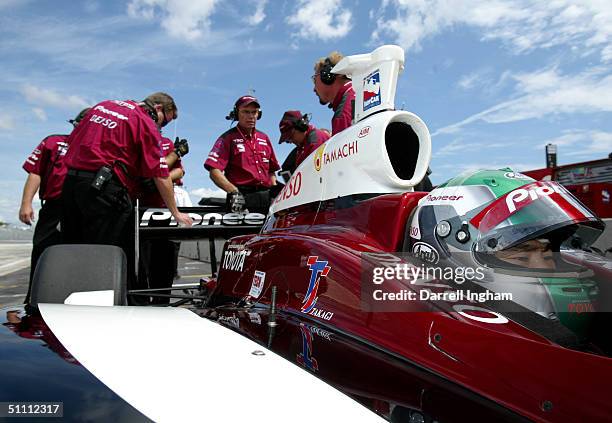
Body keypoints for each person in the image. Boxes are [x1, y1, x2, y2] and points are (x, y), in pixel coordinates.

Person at [61, 92, 192, 302]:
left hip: (72, 186)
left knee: (73, 251)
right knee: (112, 256)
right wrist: (176, 212)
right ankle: (112, 311)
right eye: (164, 122)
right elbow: (159, 174)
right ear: (158, 109)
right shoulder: (144, 121)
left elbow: (72, 142)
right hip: (106, 191)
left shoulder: (102, 106)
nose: (161, 128)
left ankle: (68, 304)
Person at [19, 108, 90, 303]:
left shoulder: (98, 150)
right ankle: (34, 300)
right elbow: (36, 172)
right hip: (55, 206)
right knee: (44, 252)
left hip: (86, 209)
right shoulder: (54, 142)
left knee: (80, 257)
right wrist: (26, 204)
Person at [204, 95, 280, 214]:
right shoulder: (227, 138)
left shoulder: (264, 138)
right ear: (236, 113)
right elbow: (214, 171)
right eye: (245, 112)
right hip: (240, 198)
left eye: (254, 112)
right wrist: (233, 191)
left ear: (258, 115)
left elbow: (271, 171)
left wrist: (275, 192)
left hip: (266, 198)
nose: (250, 116)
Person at [138, 136, 189, 304]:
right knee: (140, 262)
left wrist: (159, 174)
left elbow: (180, 171)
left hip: (163, 207)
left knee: (165, 258)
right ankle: (140, 302)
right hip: (139, 205)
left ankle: (162, 302)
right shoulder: (139, 140)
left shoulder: (166, 141)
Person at [312, 51, 356, 136]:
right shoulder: (359, 91)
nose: (314, 89)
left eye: (314, 79)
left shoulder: (344, 112)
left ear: (327, 76)